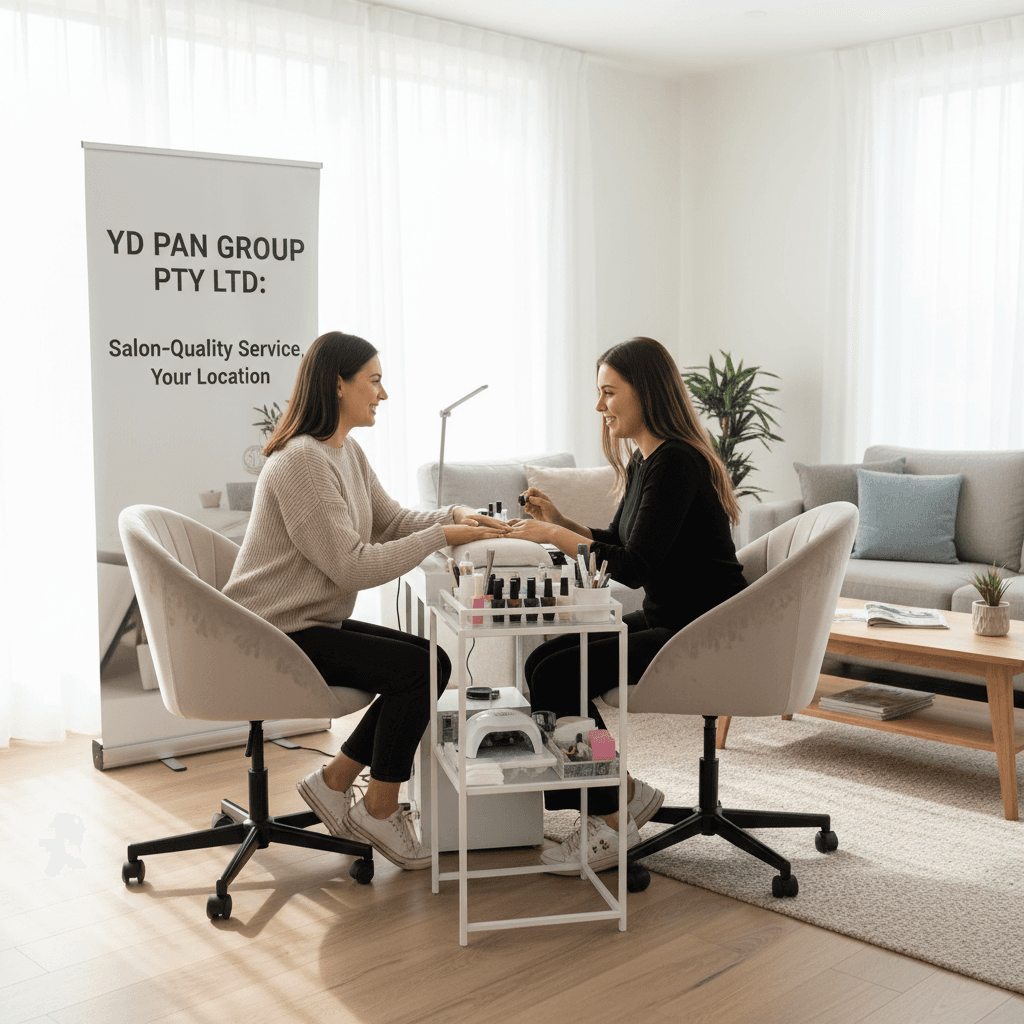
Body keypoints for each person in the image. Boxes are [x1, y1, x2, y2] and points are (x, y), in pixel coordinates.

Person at [223, 331, 508, 870]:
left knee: (429, 663)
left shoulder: (343, 451)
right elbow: (353, 564)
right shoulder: (301, 461)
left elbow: (391, 521)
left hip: (306, 624)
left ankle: (335, 783)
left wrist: (452, 516)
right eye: (374, 381)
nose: (383, 394)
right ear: (339, 385)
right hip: (272, 635)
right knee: (418, 670)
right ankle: (378, 810)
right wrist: (442, 538)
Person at [507, 336, 748, 873]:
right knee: (542, 663)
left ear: (646, 392)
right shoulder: (648, 461)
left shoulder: (677, 463)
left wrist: (550, 531)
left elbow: (632, 567)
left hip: (703, 628)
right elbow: (620, 543)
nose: (600, 407)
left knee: (558, 676)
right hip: (673, 615)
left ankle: (611, 825)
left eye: (609, 393)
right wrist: (563, 523)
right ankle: (623, 791)